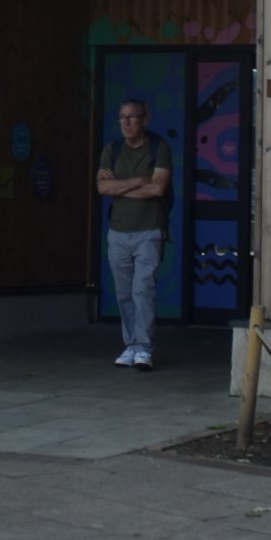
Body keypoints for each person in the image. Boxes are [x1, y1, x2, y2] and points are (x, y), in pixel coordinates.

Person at [95, 99, 174, 370]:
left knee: (143, 289)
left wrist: (120, 186)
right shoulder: (112, 149)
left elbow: (158, 190)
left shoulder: (159, 147)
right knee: (123, 292)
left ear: (145, 119)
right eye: (122, 118)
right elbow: (102, 188)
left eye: (132, 117)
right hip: (117, 233)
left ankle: (144, 347)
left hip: (149, 230)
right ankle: (130, 345)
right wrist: (140, 180)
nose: (126, 123)